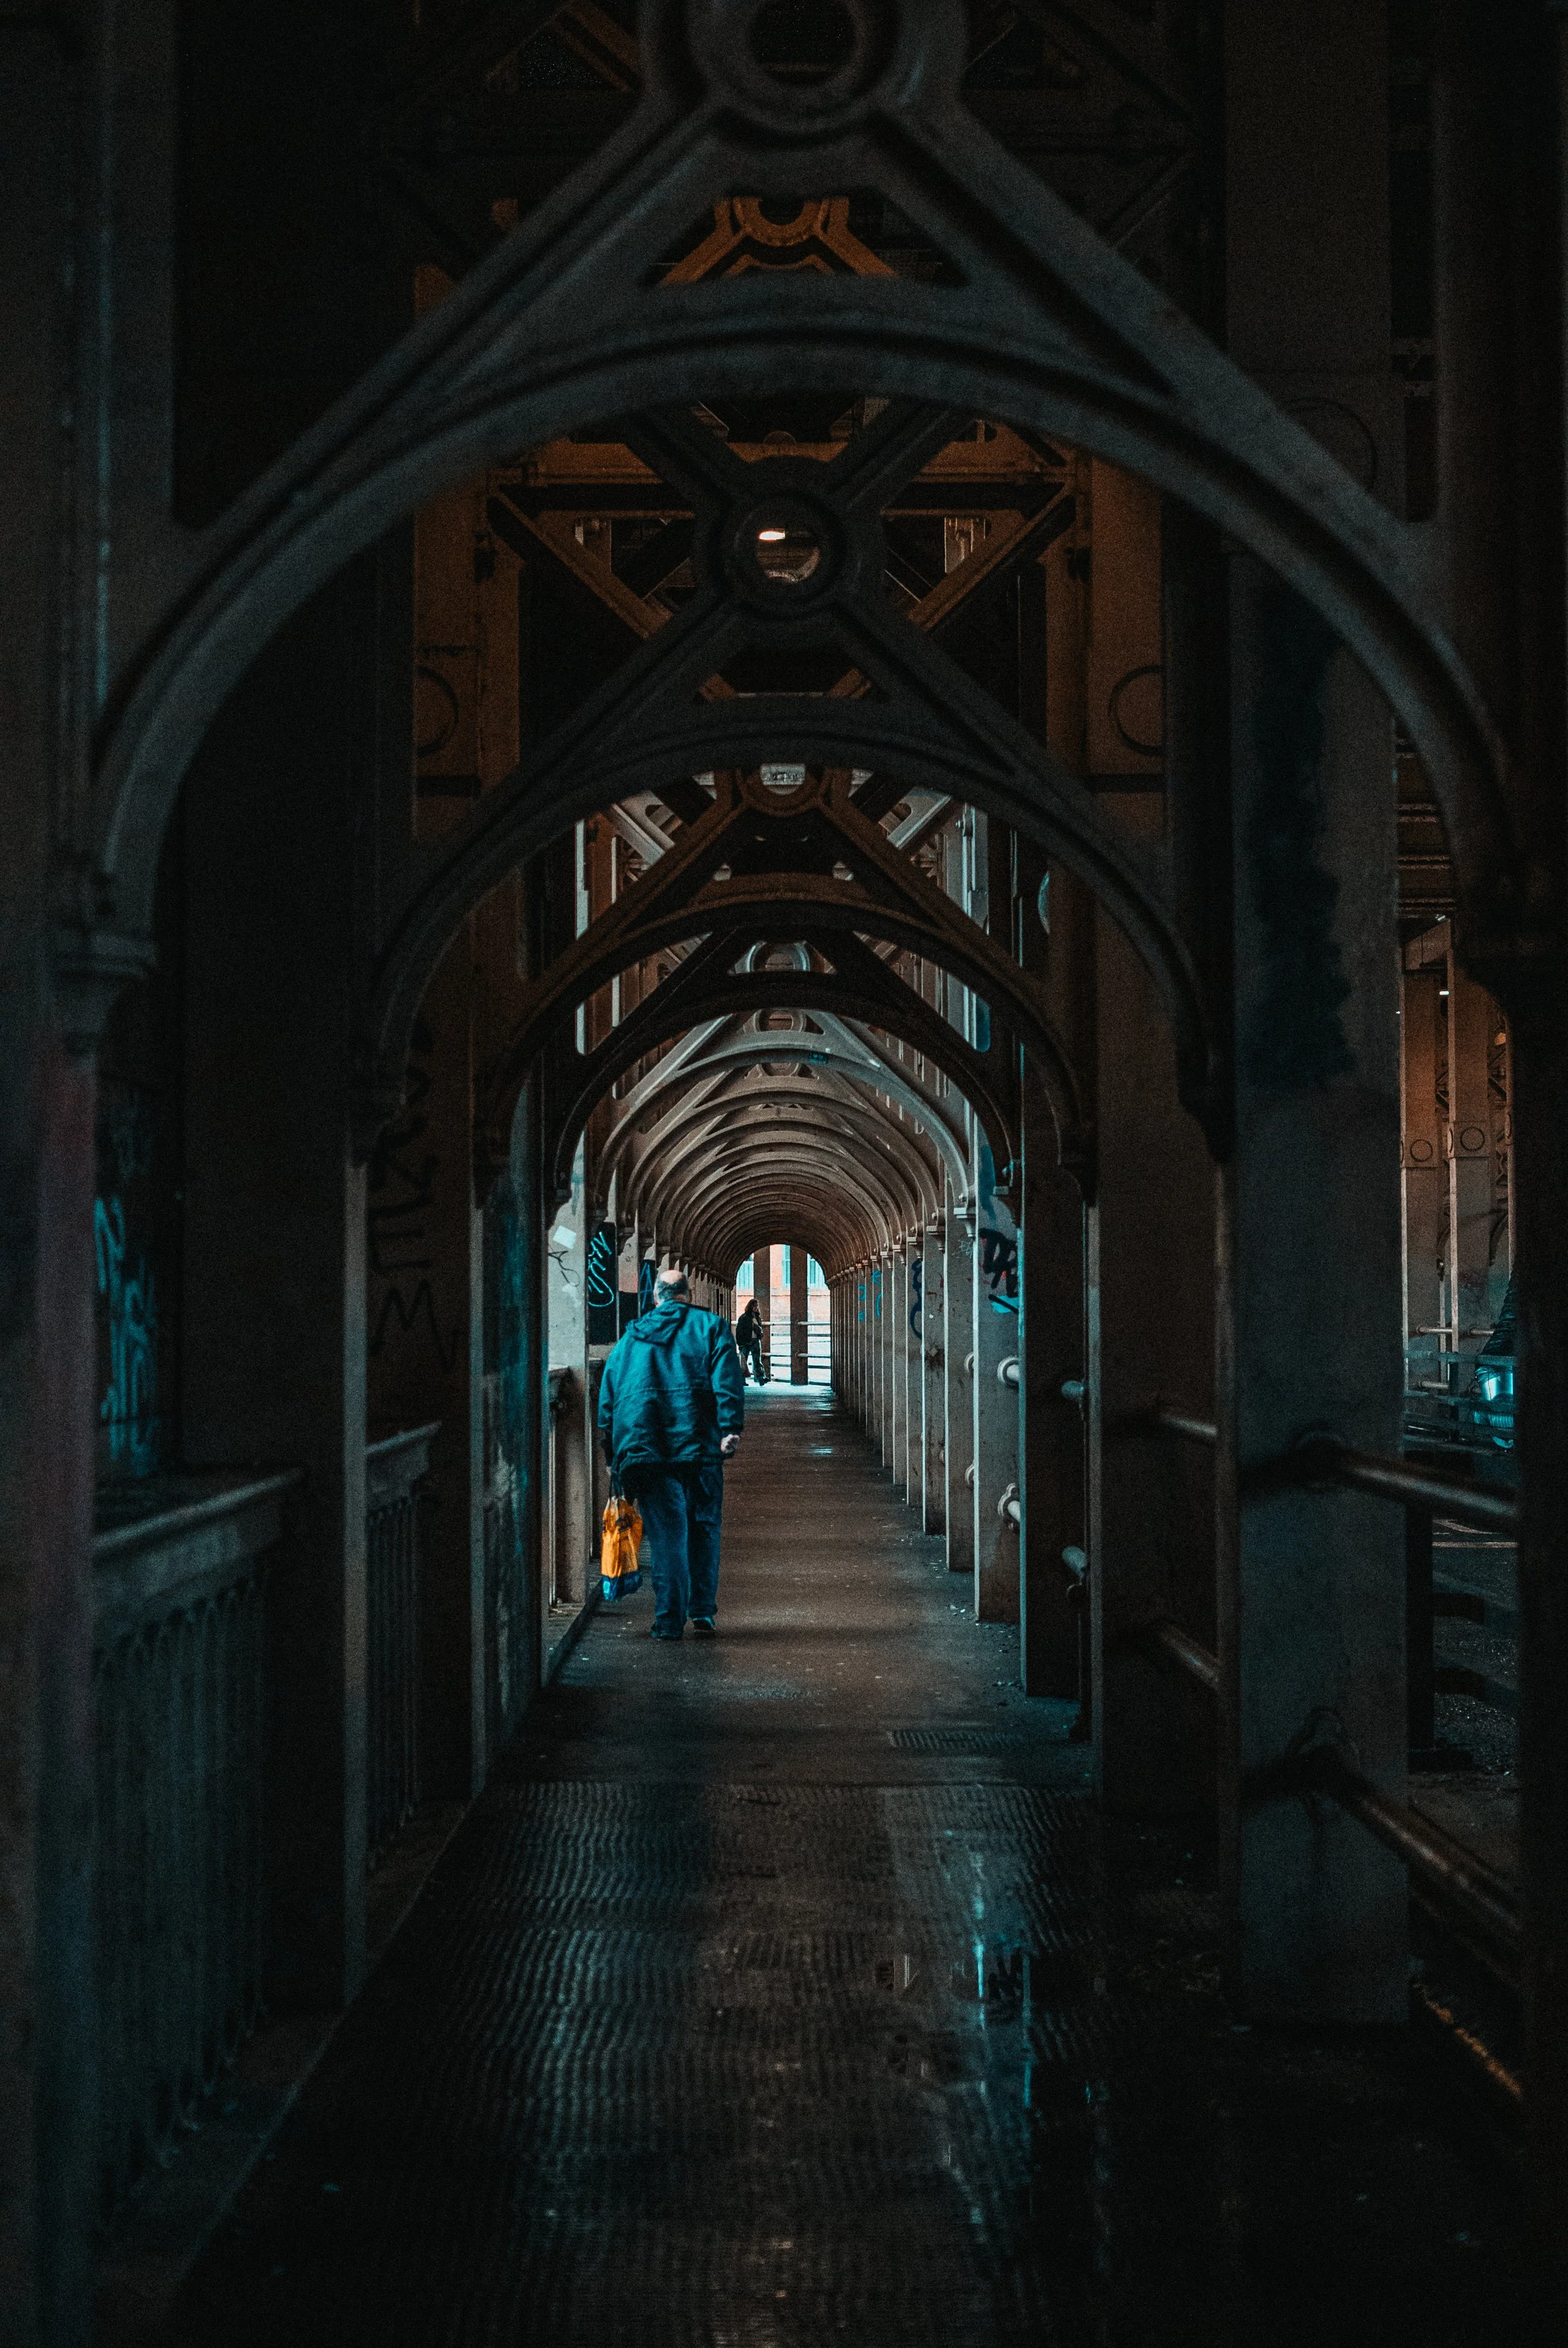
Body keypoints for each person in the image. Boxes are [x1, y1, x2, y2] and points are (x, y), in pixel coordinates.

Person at [597, 1268, 744, 1640]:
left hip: (647, 1453)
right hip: (699, 1448)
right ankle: (703, 1612)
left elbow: (608, 1401)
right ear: (687, 1294)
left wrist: (611, 1452)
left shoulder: (630, 1339)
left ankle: (668, 1621)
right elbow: (727, 1380)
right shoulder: (710, 1327)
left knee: (666, 1538)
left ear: (655, 1297)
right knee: (704, 1528)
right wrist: (730, 1429)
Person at [734, 1296, 766, 1384]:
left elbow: (760, 1328)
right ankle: (742, 1380)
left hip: (755, 1341)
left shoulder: (757, 1317)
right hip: (746, 1342)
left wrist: (760, 1335)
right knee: (744, 1362)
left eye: (757, 1306)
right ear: (750, 1307)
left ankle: (761, 1378)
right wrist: (740, 1343)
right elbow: (739, 1331)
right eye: (754, 1306)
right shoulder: (744, 1318)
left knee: (757, 1360)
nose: (756, 1308)